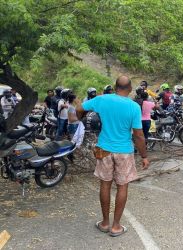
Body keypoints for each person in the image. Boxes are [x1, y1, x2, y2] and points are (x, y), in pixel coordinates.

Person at [76, 76, 149, 237]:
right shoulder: (134, 107)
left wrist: (80, 121)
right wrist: (144, 156)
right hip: (124, 151)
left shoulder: (102, 99)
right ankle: (116, 226)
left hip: (104, 149)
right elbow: (138, 135)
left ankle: (104, 223)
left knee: (105, 184)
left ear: (116, 87)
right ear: (130, 89)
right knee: (122, 186)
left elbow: (80, 109)